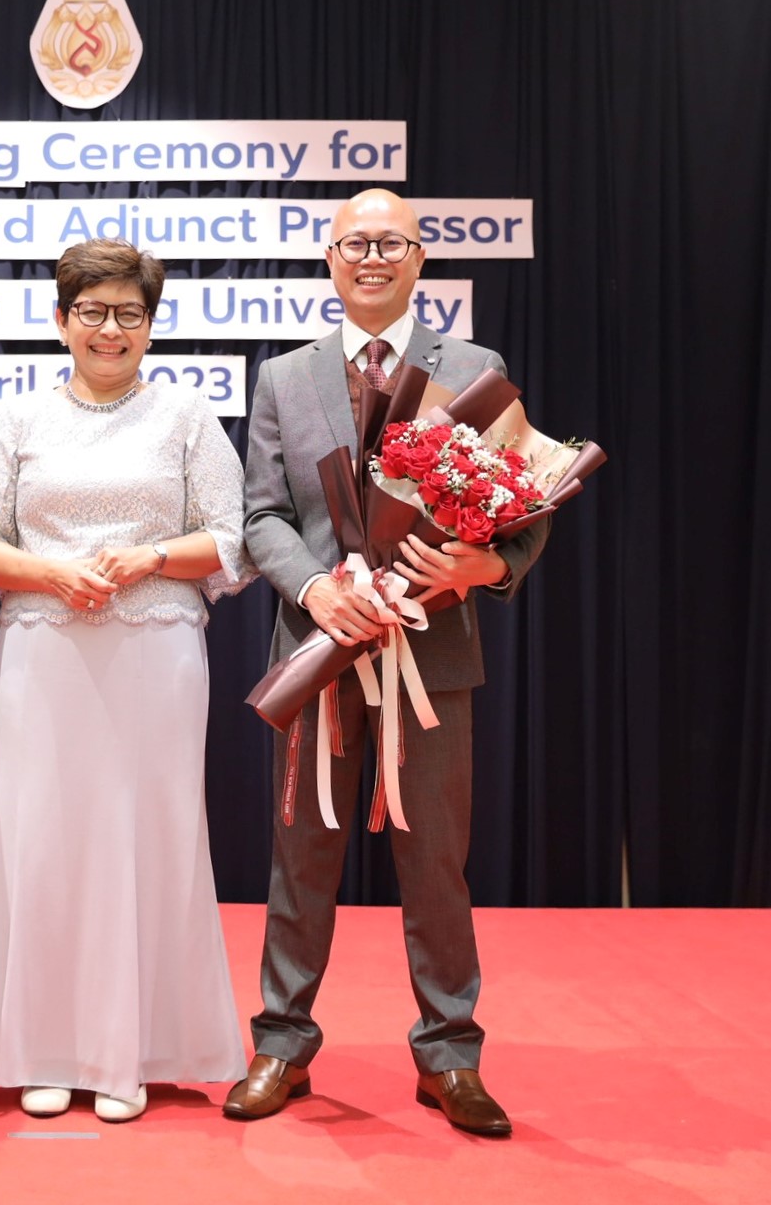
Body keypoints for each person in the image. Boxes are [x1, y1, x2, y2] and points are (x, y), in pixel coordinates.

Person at [228, 188, 549, 1136]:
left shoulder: (475, 368)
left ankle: (449, 1054)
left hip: (431, 653)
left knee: (436, 863)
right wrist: (315, 590)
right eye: (354, 242)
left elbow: (521, 510)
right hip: (321, 650)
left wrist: (490, 562)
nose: (372, 256)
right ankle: (281, 1041)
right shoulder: (284, 378)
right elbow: (260, 518)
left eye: (391, 242)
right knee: (301, 859)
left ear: (420, 258)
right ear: (329, 259)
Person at [0, 237, 251, 1122]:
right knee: (42, 844)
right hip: (43, 656)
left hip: (156, 657)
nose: (109, 329)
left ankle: (135, 1053)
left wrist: (151, 555)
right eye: (92, 311)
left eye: (128, 313)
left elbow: (231, 542)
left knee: (147, 839)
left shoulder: (188, 416)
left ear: (150, 326)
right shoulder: (20, 422)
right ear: (60, 319)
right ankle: (45, 1047)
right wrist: (49, 573)